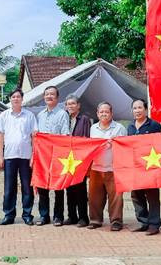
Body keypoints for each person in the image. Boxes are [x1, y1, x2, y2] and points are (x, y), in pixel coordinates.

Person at [0, 88, 38, 225]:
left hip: (26, 156)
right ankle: (9, 215)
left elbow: (34, 137)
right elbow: (0, 136)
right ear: (10, 99)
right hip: (9, 156)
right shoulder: (4, 115)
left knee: (27, 187)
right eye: (13, 97)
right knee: (9, 187)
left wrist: (33, 156)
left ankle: (27, 214)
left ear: (22, 99)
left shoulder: (29, 115)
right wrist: (0, 156)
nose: (16, 99)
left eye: (18, 96)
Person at [88, 101, 128, 231]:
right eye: (101, 112)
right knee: (94, 196)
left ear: (111, 113)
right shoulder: (93, 128)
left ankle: (116, 221)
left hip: (114, 168)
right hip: (96, 167)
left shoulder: (119, 128)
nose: (104, 114)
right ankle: (95, 220)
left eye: (106, 112)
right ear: (97, 114)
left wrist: (116, 142)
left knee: (116, 197)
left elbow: (126, 146)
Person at [35, 86, 70, 226]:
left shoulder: (62, 114)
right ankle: (44, 216)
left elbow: (65, 135)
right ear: (44, 97)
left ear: (57, 97)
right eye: (47, 94)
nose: (49, 96)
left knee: (58, 187)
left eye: (52, 94)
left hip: (57, 155)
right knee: (42, 186)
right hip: (42, 156)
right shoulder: (40, 115)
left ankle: (58, 216)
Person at [127, 99, 161, 235]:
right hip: (135, 166)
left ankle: (154, 224)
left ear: (146, 110)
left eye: (140, 108)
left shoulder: (154, 125)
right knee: (136, 195)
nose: (137, 110)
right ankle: (143, 222)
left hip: (150, 166)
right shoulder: (130, 127)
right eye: (134, 108)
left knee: (152, 196)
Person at [65, 95, 92, 227]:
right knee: (69, 188)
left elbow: (86, 139)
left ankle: (83, 217)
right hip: (67, 158)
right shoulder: (65, 119)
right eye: (68, 104)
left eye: (73, 103)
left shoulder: (84, 119)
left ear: (78, 105)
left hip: (80, 157)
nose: (70, 106)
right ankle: (72, 216)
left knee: (80, 188)